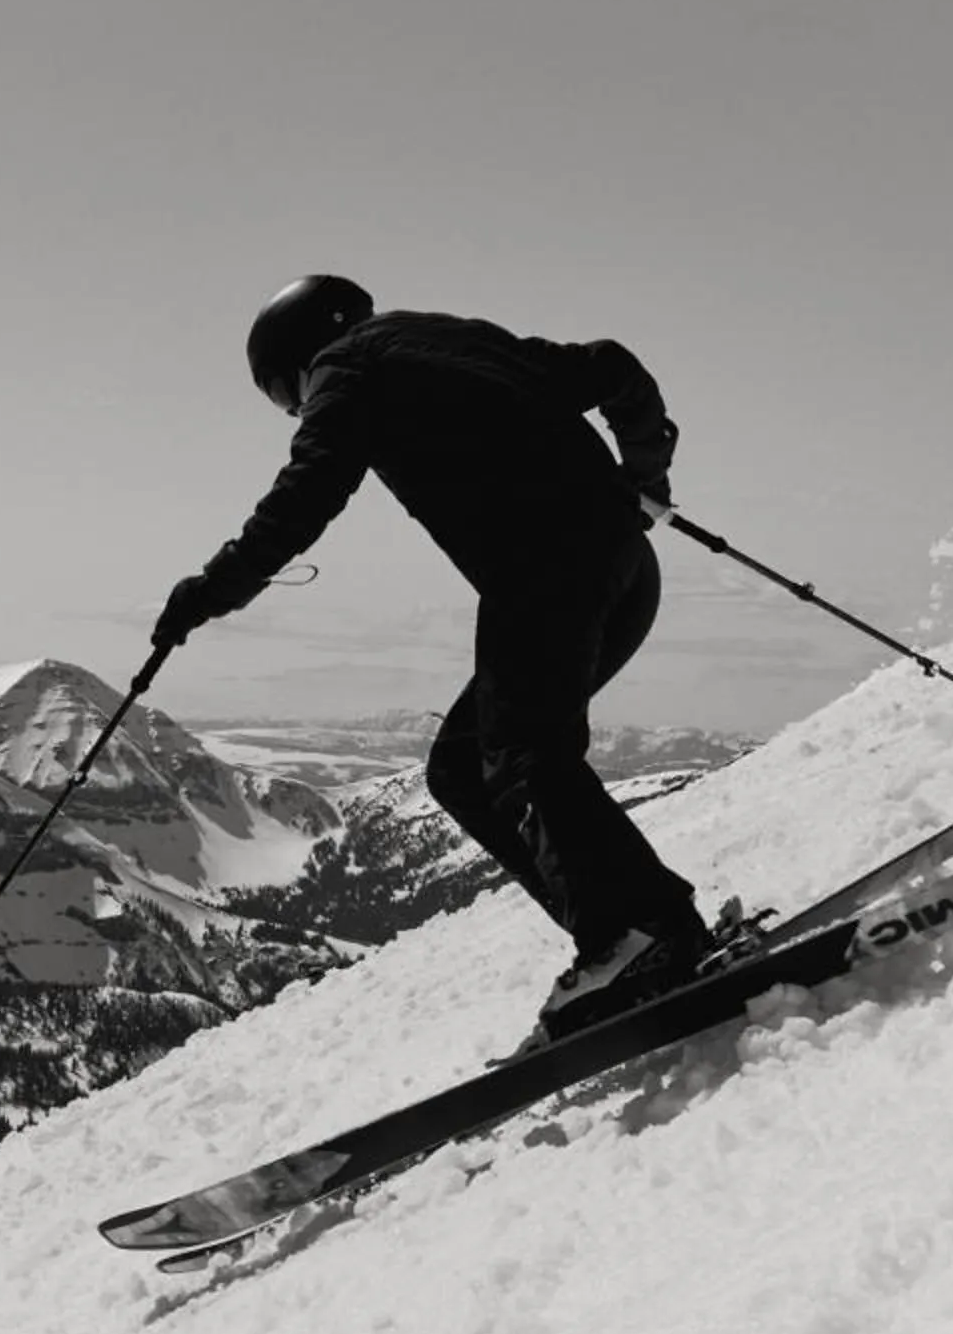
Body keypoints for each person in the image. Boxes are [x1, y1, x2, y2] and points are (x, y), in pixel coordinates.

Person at [154, 274, 715, 1043]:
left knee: (523, 756)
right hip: (623, 568)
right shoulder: (453, 337)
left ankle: (638, 941)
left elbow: (302, 497)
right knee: (463, 768)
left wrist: (205, 594)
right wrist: (644, 479)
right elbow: (614, 364)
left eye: (286, 399)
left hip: (547, 573)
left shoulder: (345, 373)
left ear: (292, 366)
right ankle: (641, 936)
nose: (297, 409)